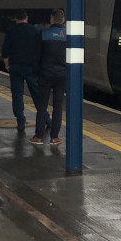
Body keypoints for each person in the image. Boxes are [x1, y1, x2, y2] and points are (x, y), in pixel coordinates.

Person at [1, 9, 42, 133]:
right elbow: (40, 50)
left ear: (16, 19)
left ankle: (20, 121)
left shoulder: (11, 31)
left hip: (15, 67)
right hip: (31, 68)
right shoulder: (35, 31)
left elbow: (5, 52)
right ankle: (46, 119)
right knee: (37, 94)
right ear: (26, 18)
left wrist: (7, 66)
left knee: (17, 95)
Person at [32, 8, 68, 146]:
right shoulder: (68, 36)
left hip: (45, 74)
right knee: (58, 106)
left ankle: (38, 136)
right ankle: (55, 137)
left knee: (42, 105)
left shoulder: (43, 34)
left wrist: (36, 72)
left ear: (51, 20)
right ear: (63, 20)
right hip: (62, 75)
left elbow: (36, 56)